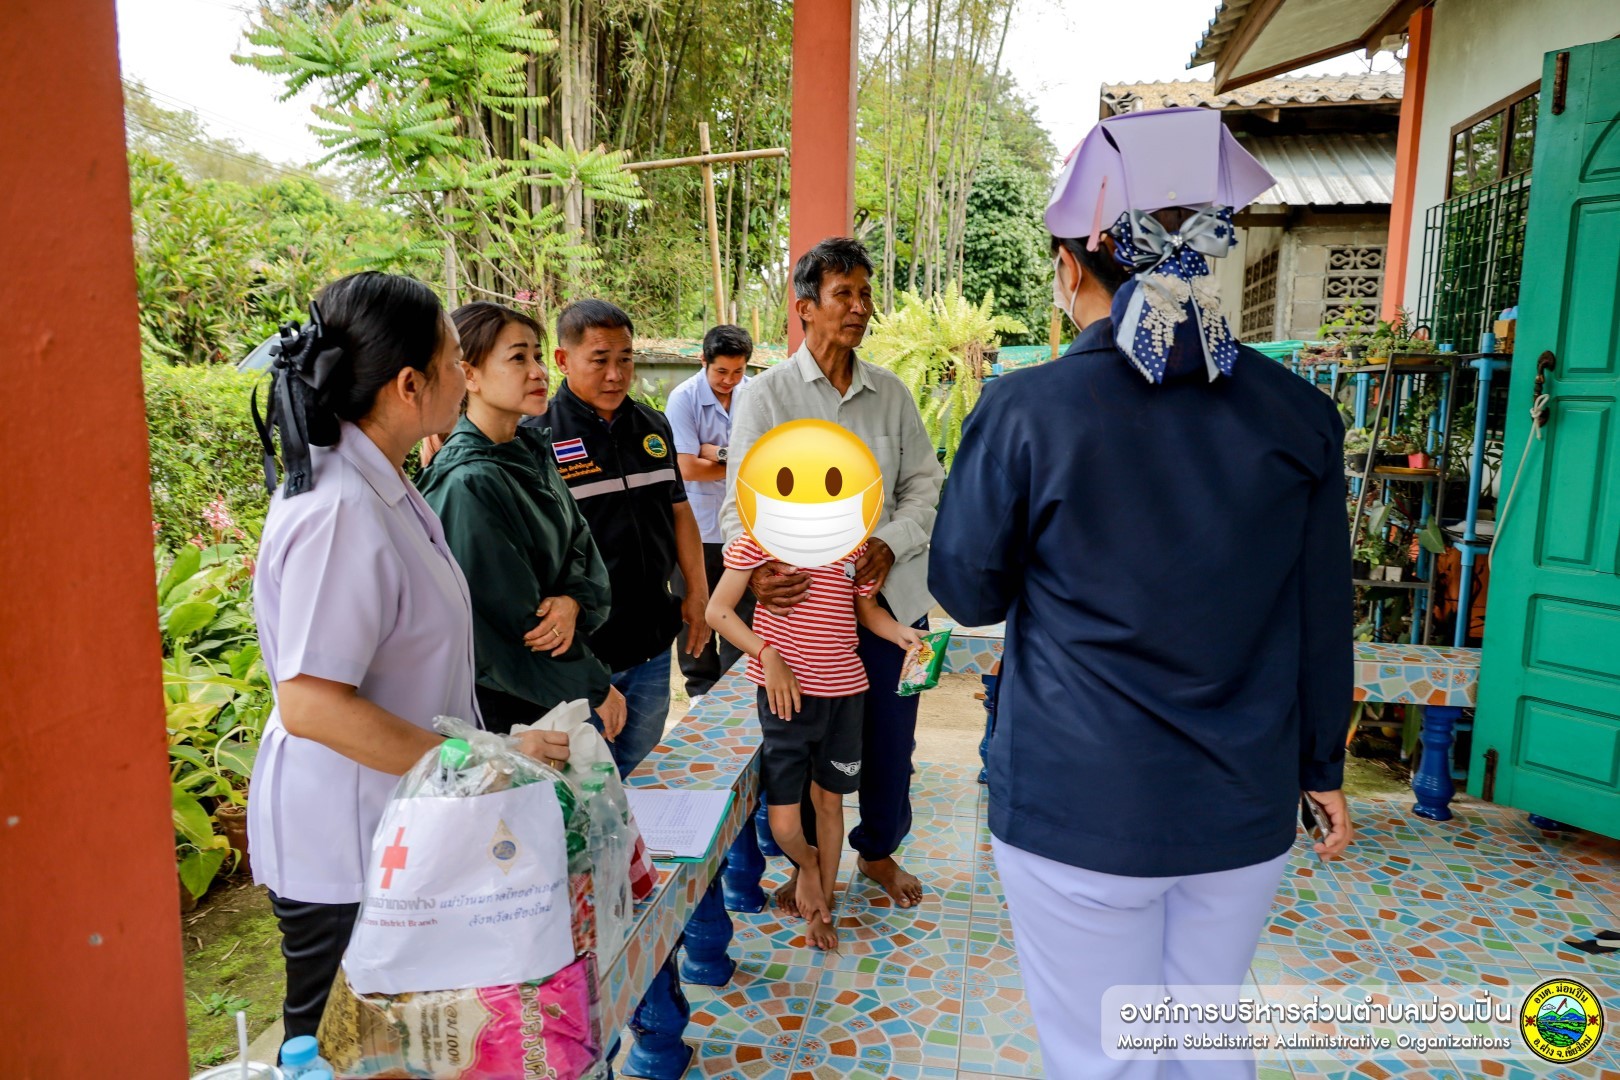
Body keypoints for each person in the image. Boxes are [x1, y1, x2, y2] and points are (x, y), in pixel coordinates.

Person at [928, 107, 1355, 1079]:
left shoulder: (1027, 410)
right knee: (1205, 1038)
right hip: (1241, 809)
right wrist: (1320, 765)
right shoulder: (1300, 416)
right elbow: (1322, 613)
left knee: (1103, 1059)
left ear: (1073, 263)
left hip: (1079, 804)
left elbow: (969, 590)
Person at [247, 273, 572, 1042]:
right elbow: (311, 704)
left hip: (391, 827)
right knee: (343, 1048)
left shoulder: (382, 480)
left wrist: (487, 755)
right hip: (343, 845)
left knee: (401, 1044)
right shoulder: (340, 510)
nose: (465, 375)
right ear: (408, 384)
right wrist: (482, 761)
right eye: (456, 360)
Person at [722, 237, 945, 910]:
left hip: (887, 597)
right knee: (802, 740)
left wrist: (889, 543)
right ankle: (806, 866)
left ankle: (876, 851)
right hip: (802, 611)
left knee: (890, 739)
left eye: (865, 294)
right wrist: (759, 572)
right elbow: (740, 502)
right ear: (805, 308)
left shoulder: (891, 394)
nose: (859, 307)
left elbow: (926, 486)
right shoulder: (767, 396)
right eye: (843, 294)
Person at [416, 301, 628, 738]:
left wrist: (573, 601)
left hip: (548, 687)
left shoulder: (529, 452)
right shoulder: (469, 481)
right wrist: (595, 685)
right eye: (517, 358)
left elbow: (580, 547)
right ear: (469, 375)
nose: (538, 371)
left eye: (536, 355)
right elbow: (511, 620)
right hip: (505, 701)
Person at [708, 525, 923, 949]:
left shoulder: (851, 543)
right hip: (786, 701)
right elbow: (718, 611)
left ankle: (823, 909)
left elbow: (867, 612)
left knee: (830, 804)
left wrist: (901, 633)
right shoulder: (757, 541)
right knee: (785, 824)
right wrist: (768, 655)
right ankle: (808, 867)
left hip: (846, 698)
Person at [544, 298, 710, 776]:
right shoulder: (537, 438)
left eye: (625, 359)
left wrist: (697, 592)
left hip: (651, 644)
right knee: (587, 782)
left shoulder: (652, 427)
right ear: (563, 359)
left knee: (641, 769)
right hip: (582, 651)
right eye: (600, 360)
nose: (616, 375)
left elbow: (680, 511)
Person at [666, 323, 755, 697]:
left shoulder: (755, 394)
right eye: (721, 371)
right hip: (697, 527)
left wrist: (714, 452)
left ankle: (736, 690)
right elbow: (686, 467)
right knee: (695, 608)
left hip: (745, 525)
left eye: (738, 371)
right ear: (703, 361)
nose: (729, 381)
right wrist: (741, 463)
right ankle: (700, 688)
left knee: (744, 612)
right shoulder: (683, 398)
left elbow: (767, 460)